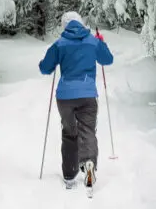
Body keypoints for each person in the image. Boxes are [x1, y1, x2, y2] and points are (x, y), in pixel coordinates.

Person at [39, 11, 113, 190]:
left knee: (69, 132)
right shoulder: (92, 41)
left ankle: (69, 175)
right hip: (87, 95)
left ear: (65, 26)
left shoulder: (60, 44)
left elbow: (45, 68)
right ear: (81, 23)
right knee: (87, 131)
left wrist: (54, 60)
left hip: (65, 98)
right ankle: (89, 164)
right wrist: (101, 42)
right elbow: (107, 59)